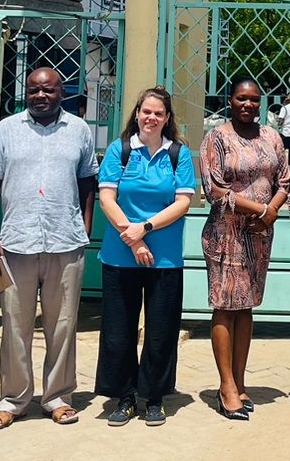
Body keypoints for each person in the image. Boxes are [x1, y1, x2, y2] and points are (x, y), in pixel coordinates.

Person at [0, 67, 98, 430]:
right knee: (15, 325)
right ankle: (13, 400)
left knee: (62, 325)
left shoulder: (79, 131)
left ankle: (58, 397)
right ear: (26, 93)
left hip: (65, 241)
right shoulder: (6, 130)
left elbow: (87, 182)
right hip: (16, 242)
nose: (41, 96)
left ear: (61, 92)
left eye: (48, 90)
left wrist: (85, 230)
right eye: (34, 90)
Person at [94, 87, 198, 426]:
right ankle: (123, 397)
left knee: (160, 332)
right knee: (118, 332)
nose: (151, 118)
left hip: (165, 259)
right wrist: (134, 238)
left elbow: (183, 202)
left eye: (158, 113)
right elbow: (107, 198)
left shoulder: (177, 154)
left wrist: (147, 228)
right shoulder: (119, 150)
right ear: (136, 114)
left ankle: (153, 397)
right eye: (145, 111)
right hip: (120, 255)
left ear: (167, 118)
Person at [201, 77, 290, 420]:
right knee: (225, 307)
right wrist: (262, 210)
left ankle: (240, 382)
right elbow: (215, 190)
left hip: (259, 235)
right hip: (227, 234)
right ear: (230, 99)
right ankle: (225, 388)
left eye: (254, 100)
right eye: (241, 98)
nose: (248, 105)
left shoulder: (271, 136)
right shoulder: (218, 138)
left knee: (247, 307)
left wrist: (273, 211)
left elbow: (283, 181)